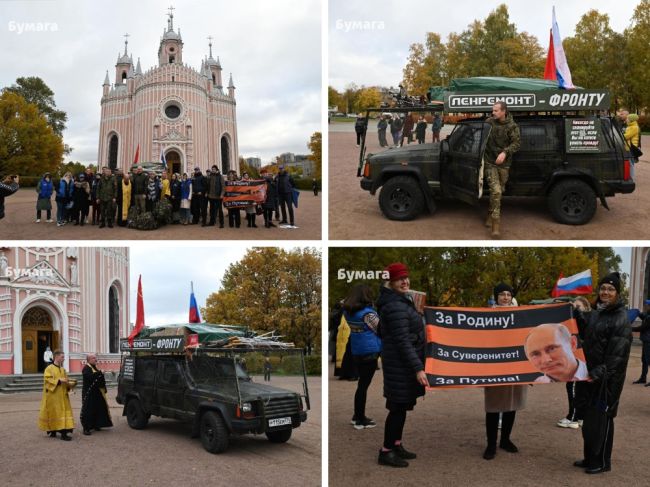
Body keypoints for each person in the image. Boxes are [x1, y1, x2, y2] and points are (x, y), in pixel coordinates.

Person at [572, 272, 632, 474]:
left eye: (611, 289)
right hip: (591, 375)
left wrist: (599, 372)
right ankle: (589, 457)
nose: (606, 292)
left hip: (607, 381)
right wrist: (578, 316)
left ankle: (602, 462)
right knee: (589, 420)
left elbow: (617, 355)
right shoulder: (598, 312)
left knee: (602, 420)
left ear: (617, 293)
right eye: (603, 288)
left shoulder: (620, 318)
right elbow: (587, 332)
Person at [376, 263, 427, 468]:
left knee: (402, 407)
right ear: (390, 282)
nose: (405, 281)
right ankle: (386, 451)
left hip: (402, 363)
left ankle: (396, 445)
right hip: (401, 365)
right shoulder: (395, 305)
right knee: (397, 408)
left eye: (406, 278)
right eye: (399, 279)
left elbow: (385, 332)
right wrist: (418, 368)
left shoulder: (400, 301)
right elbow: (402, 341)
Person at [483, 283, 527, 460]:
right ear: (496, 297)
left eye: (509, 294)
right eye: (502, 294)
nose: (506, 297)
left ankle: (505, 440)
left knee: (512, 404)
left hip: (515, 366)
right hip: (495, 367)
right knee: (493, 407)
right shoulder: (486, 316)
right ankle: (491, 444)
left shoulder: (521, 316)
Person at [343, 284, 382, 430]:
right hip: (370, 351)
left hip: (357, 350)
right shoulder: (368, 314)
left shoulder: (348, 312)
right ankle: (359, 418)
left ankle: (357, 416)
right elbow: (381, 330)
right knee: (363, 386)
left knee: (361, 385)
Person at [483, 102, 521, 239]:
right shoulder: (489, 122)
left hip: (504, 165)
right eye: (493, 110)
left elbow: (516, 143)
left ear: (504, 111)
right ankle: (495, 226)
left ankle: (489, 212)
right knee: (497, 191)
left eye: (496, 110)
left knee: (499, 191)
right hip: (489, 162)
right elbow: (482, 139)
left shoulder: (512, 126)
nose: (493, 112)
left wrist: (505, 153)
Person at [558, 296, 592, 429]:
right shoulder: (574, 320)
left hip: (581, 358)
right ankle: (581, 416)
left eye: (579, 307)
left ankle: (573, 417)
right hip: (578, 358)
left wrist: (576, 311)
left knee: (573, 387)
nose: (575, 309)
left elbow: (584, 330)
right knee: (580, 389)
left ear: (586, 307)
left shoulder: (587, 318)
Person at [38, 350, 75, 440]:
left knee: (63, 413)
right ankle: (58, 433)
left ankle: (61, 432)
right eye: (62, 357)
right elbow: (47, 380)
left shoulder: (63, 369)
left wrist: (70, 385)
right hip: (53, 396)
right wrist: (59, 381)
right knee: (55, 412)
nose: (64, 358)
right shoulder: (49, 368)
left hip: (63, 395)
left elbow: (65, 380)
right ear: (56, 357)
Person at [80, 354, 113, 435]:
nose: (96, 359)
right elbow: (90, 377)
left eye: (95, 358)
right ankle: (86, 428)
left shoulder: (94, 367)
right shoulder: (86, 368)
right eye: (94, 358)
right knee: (88, 410)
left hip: (97, 392)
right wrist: (99, 372)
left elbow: (99, 378)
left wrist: (103, 387)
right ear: (89, 359)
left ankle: (96, 424)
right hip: (89, 393)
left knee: (98, 408)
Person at [632, 299, 650, 386]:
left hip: (648, 341)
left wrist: (631, 328)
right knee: (644, 360)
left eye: (646, 305)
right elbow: (643, 316)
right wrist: (637, 312)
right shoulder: (647, 315)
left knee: (648, 360)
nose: (645, 307)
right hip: (646, 340)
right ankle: (643, 378)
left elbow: (643, 327)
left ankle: (644, 378)